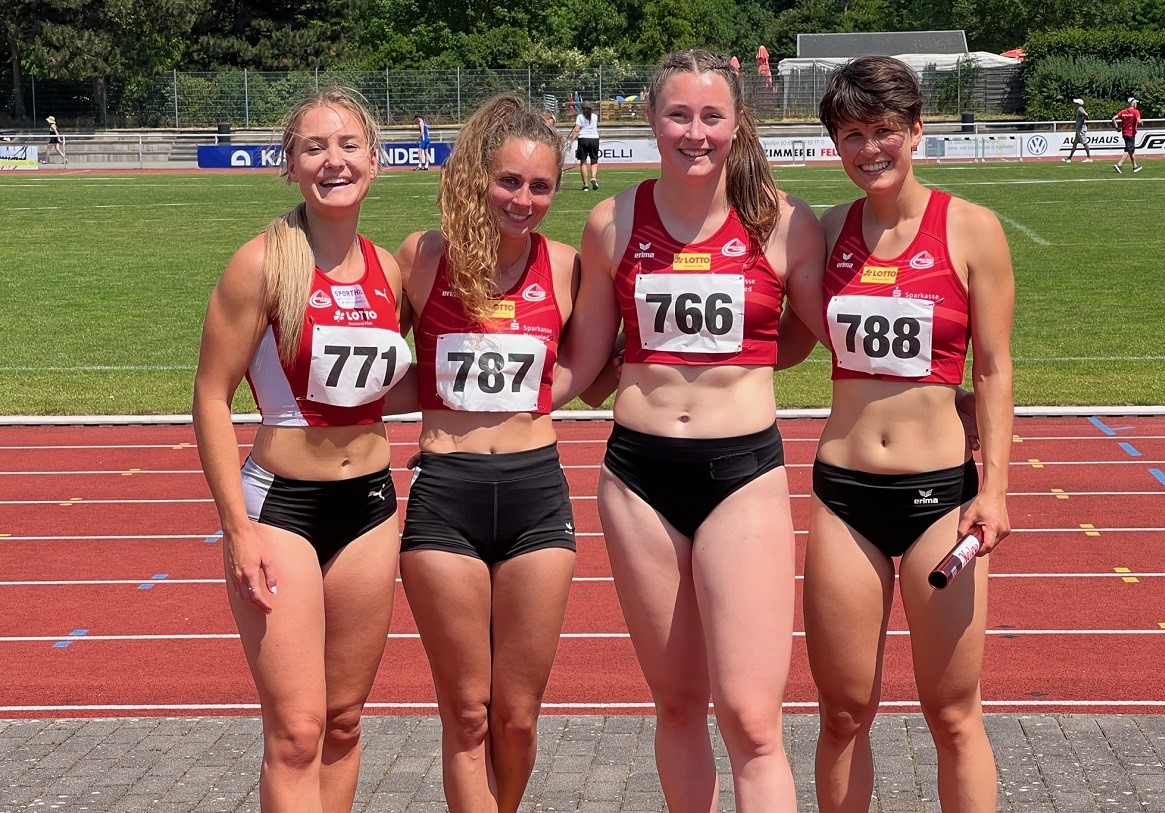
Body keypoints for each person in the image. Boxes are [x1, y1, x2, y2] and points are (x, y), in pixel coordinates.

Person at [567, 48, 826, 811]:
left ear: (737, 122)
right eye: (678, 114)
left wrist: (956, 398)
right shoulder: (611, 221)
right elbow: (584, 360)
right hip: (637, 478)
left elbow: (824, 333)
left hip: (742, 472)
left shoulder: (781, 221)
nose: (695, 132)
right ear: (652, 120)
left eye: (712, 116)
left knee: (751, 719)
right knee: (677, 704)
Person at [788, 55, 1014, 812]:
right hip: (844, 495)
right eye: (852, 134)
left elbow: (992, 372)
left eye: (884, 130)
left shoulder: (974, 231)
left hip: (940, 501)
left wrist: (995, 493)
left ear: (916, 130)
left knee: (952, 714)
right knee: (844, 712)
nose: (869, 149)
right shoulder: (826, 231)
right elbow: (779, 337)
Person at [392, 93, 612, 813]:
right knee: (467, 714)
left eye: (540, 185)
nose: (523, 199)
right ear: (477, 179)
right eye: (508, 181)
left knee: (516, 716)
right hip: (445, 494)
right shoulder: (423, 258)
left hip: (534, 496)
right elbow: (378, 360)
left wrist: (540, 392)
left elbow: (591, 371)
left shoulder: (568, 265)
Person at [192, 87, 409, 813]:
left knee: (344, 722)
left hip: (372, 510)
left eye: (348, 145)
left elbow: (385, 385)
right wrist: (235, 528)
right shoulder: (260, 264)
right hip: (280, 510)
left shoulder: (390, 269)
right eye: (314, 147)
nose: (333, 160)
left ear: (374, 161)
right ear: (290, 165)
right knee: (296, 730)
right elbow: (211, 398)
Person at [567, 103, 600, 191]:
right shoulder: (595, 117)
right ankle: (593, 177)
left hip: (583, 139)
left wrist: (571, 141)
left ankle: (585, 185)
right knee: (594, 160)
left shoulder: (580, 117)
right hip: (594, 139)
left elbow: (577, 129)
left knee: (583, 162)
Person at [1112, 97, 1142, 173]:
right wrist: (1141, 122)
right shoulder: (1136, 112)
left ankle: (1135, 166)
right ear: (1133, 104)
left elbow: (1113, 119)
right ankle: (1119, 164)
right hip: (1131, 133)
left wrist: (1117, 128)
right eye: (1136, 103)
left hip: (1124, 133)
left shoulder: (1123, 112)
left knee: (1131, 150)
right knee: (1129, 150)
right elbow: (1139, 121)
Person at [1062, 98, 1093, 163]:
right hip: (1078, 129)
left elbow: (1086, 115)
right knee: (1075, 143)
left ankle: (1089, 158)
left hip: (1081, 129)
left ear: (1078, 104)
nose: (1074, 104)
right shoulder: (1079, 109)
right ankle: (1069, 158)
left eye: (1076, 103)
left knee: (1084, 143)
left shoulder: (1080, 109)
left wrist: (1083, 118)